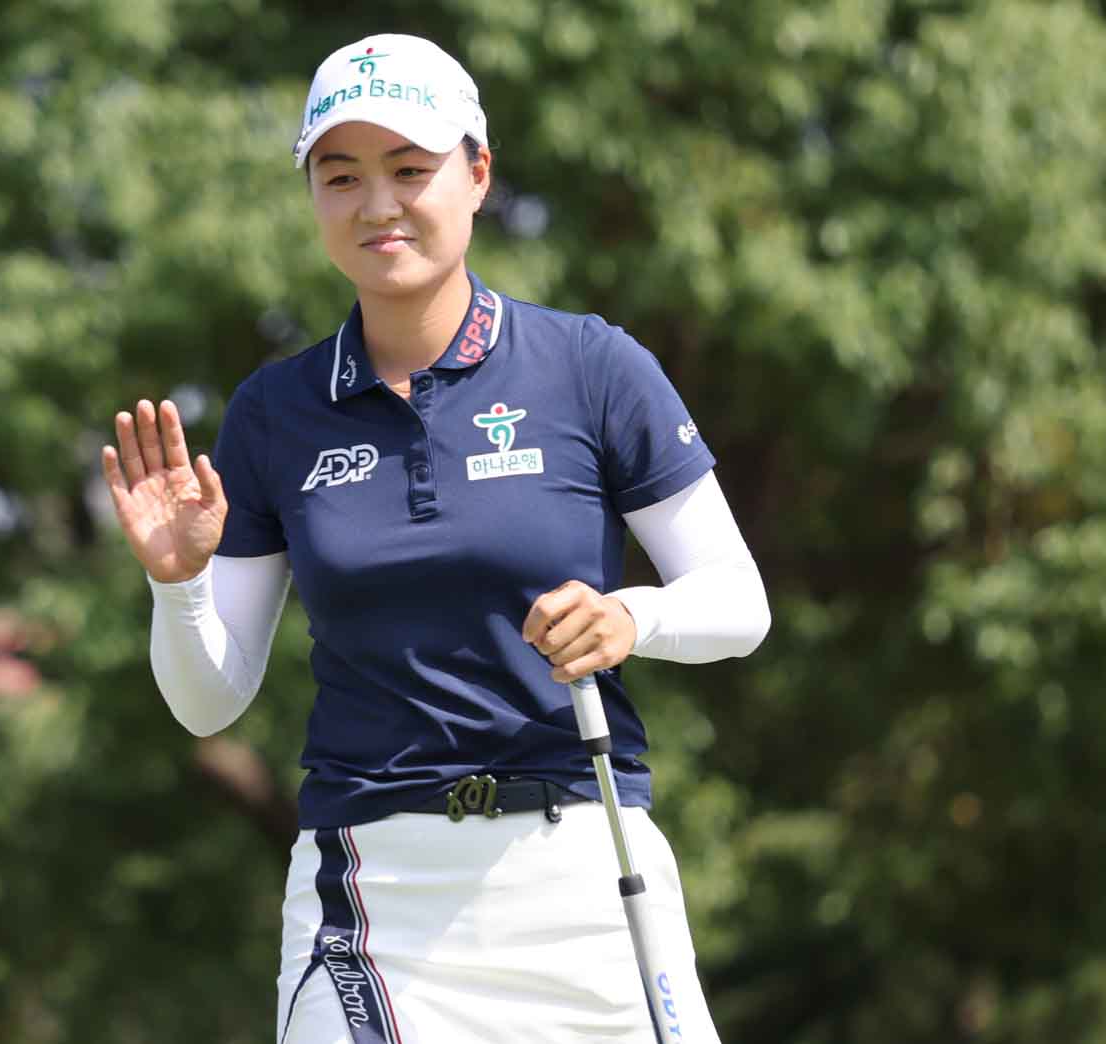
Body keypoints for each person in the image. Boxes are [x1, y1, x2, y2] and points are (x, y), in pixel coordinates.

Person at [101, 32, 770, 1044]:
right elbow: (208, 703)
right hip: (371, 894)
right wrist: (177, 586)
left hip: (582, 875)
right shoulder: (273, 412)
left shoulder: (589, 366)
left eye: (409, 170)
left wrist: (629, 616)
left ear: (476, 173)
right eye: (341, 177)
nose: (377, 206)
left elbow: (737, 604)